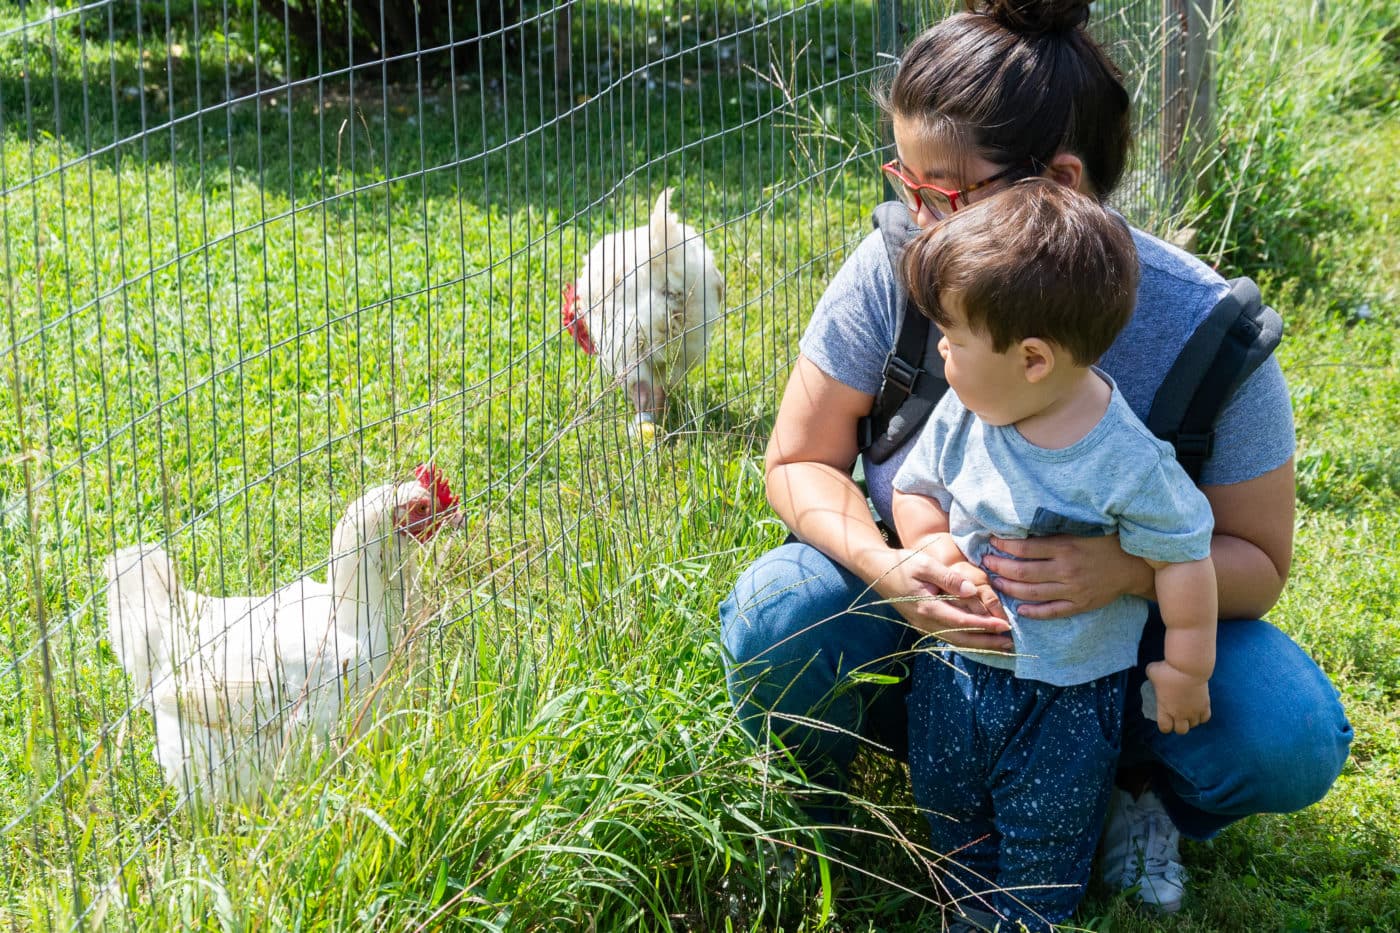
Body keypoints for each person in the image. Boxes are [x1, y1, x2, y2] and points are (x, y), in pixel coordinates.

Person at [719, 0, 1352, 917]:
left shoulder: (1205, 332)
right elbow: (796, 463)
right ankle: (821, 811)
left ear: (1061, 179)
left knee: (1286, 733)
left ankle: (1141, 796)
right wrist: (892, 562)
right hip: (934, 633)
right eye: (906, 183)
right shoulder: (896, 265)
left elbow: (1260, 562)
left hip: (1118, 654)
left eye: (943, 194)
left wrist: (1129, 570)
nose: (915, 219)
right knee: (778, 614)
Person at [890, 179, 1217, 931]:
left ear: (1033, 359)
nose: (940, 352)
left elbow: (1184, 555)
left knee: (1048, 829)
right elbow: (917, 489)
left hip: (1068, 693)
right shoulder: (965, 412)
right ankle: (967, 902)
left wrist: (1185, 664)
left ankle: (1028, 912)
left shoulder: (1127, 459)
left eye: (954, 340)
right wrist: (934, 545)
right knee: (949, 801)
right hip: (956, 668)